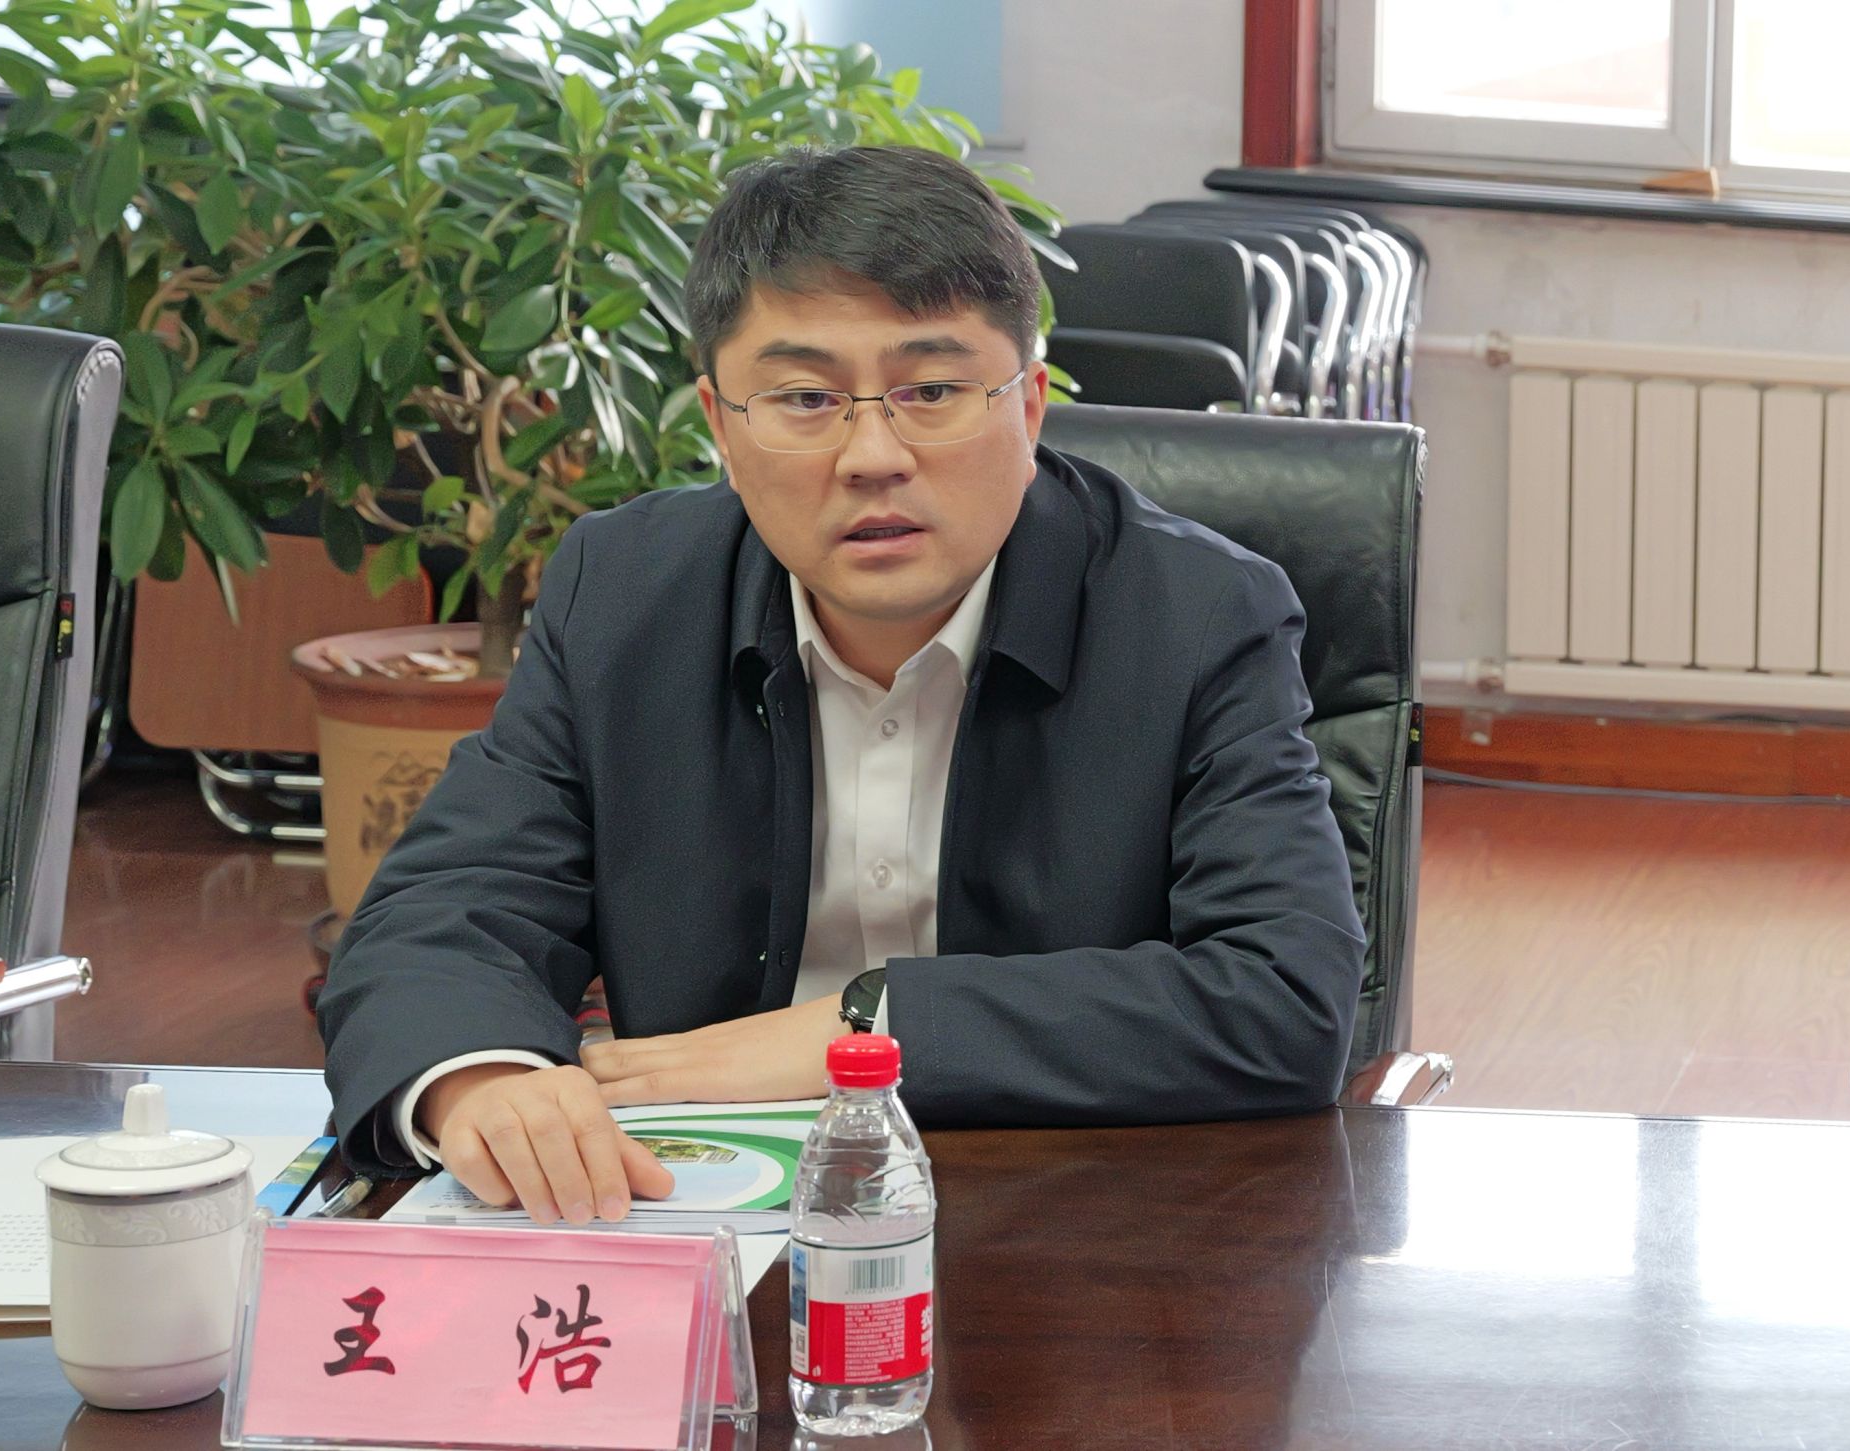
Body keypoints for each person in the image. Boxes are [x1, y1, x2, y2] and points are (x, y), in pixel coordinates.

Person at [317, 144, 1364, 1225]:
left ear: (1030, 405)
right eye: (806, 397)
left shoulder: (1197, 615)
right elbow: (442, 911)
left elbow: (1280, 994)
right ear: (721, 426)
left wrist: (861, 1026)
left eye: (933, 390)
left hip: (1074, 1220)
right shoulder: (624, 595)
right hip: (702, 1215)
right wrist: (482, 1081)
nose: (872, 454)